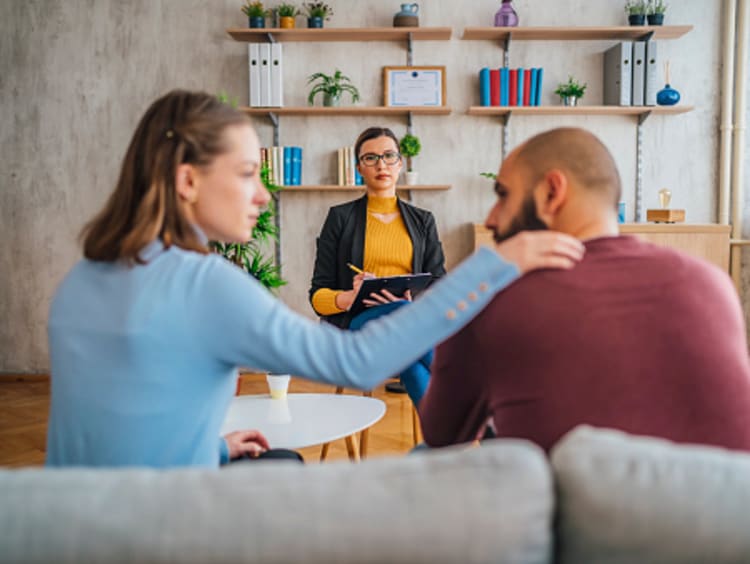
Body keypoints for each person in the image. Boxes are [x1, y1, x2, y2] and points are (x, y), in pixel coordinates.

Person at [46, 90, 584, 469]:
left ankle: (447, 432)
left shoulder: (82, 279)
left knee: (278, 461)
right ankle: (458, 434)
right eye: (246, 174)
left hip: (84, 518)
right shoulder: (204, 283)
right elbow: (355, 361)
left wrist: (211, 448)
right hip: (159, 526)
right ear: (187, 181)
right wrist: (497, 263)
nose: (261, 194)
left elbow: (111, 438)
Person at [419, 127, 750, 453]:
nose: (491, 218)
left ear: (552, 192)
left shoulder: (497, 300)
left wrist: (463, 303)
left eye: (503, 194)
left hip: (573, 506)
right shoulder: (712, 282)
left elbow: (442, 435)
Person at [309, 127, 444, 404]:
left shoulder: (423, 221)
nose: (381, 164)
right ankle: (471, 409)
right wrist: (350, 297)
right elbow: (317, 295)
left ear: (400, 163)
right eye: (370, 158)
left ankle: (441, 440)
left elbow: (440, 283)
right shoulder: (340, 218)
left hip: (405, 328)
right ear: (359, 167)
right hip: (357, 328)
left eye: (388, 156)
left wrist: (414, 297)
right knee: (406, 321)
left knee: (405, 345)